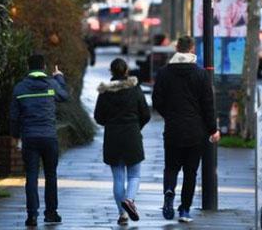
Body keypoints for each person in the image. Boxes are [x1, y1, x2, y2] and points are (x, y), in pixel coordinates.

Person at [152, 35, 221, 223]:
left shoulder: (164, 72)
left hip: (173, 128)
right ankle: (184, 210)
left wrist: (170, 114)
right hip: (195, 131)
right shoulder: (200, 75)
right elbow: (208, 105)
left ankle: (168, 191)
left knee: (171, 167)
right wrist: (213, 129)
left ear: (176, 48)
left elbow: (156, 100)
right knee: (190, 172)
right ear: (192, 49)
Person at [10, 53, 69, 227]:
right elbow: (64, 96)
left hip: (30, 138)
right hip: (49, 137)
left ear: (28, 68)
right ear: (44, 67)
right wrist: (59, 78)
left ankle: (32, 216)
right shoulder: (51, 84)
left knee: (31, 176)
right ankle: (51, 213)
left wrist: (15, 137)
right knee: (51, 175)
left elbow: (14, 117)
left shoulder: (20, 88)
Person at [94, 58, 151, 226]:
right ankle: (130, 199)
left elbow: (98, 117)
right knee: (134, 175)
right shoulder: (135, 89)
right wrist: (136, 126)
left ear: (111, 72)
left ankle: (123, 214)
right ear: (126, 71)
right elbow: (146, 114)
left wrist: (111, 124)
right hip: (132, 135)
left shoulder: (105, 92)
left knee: (118, 178)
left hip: (113, 137)